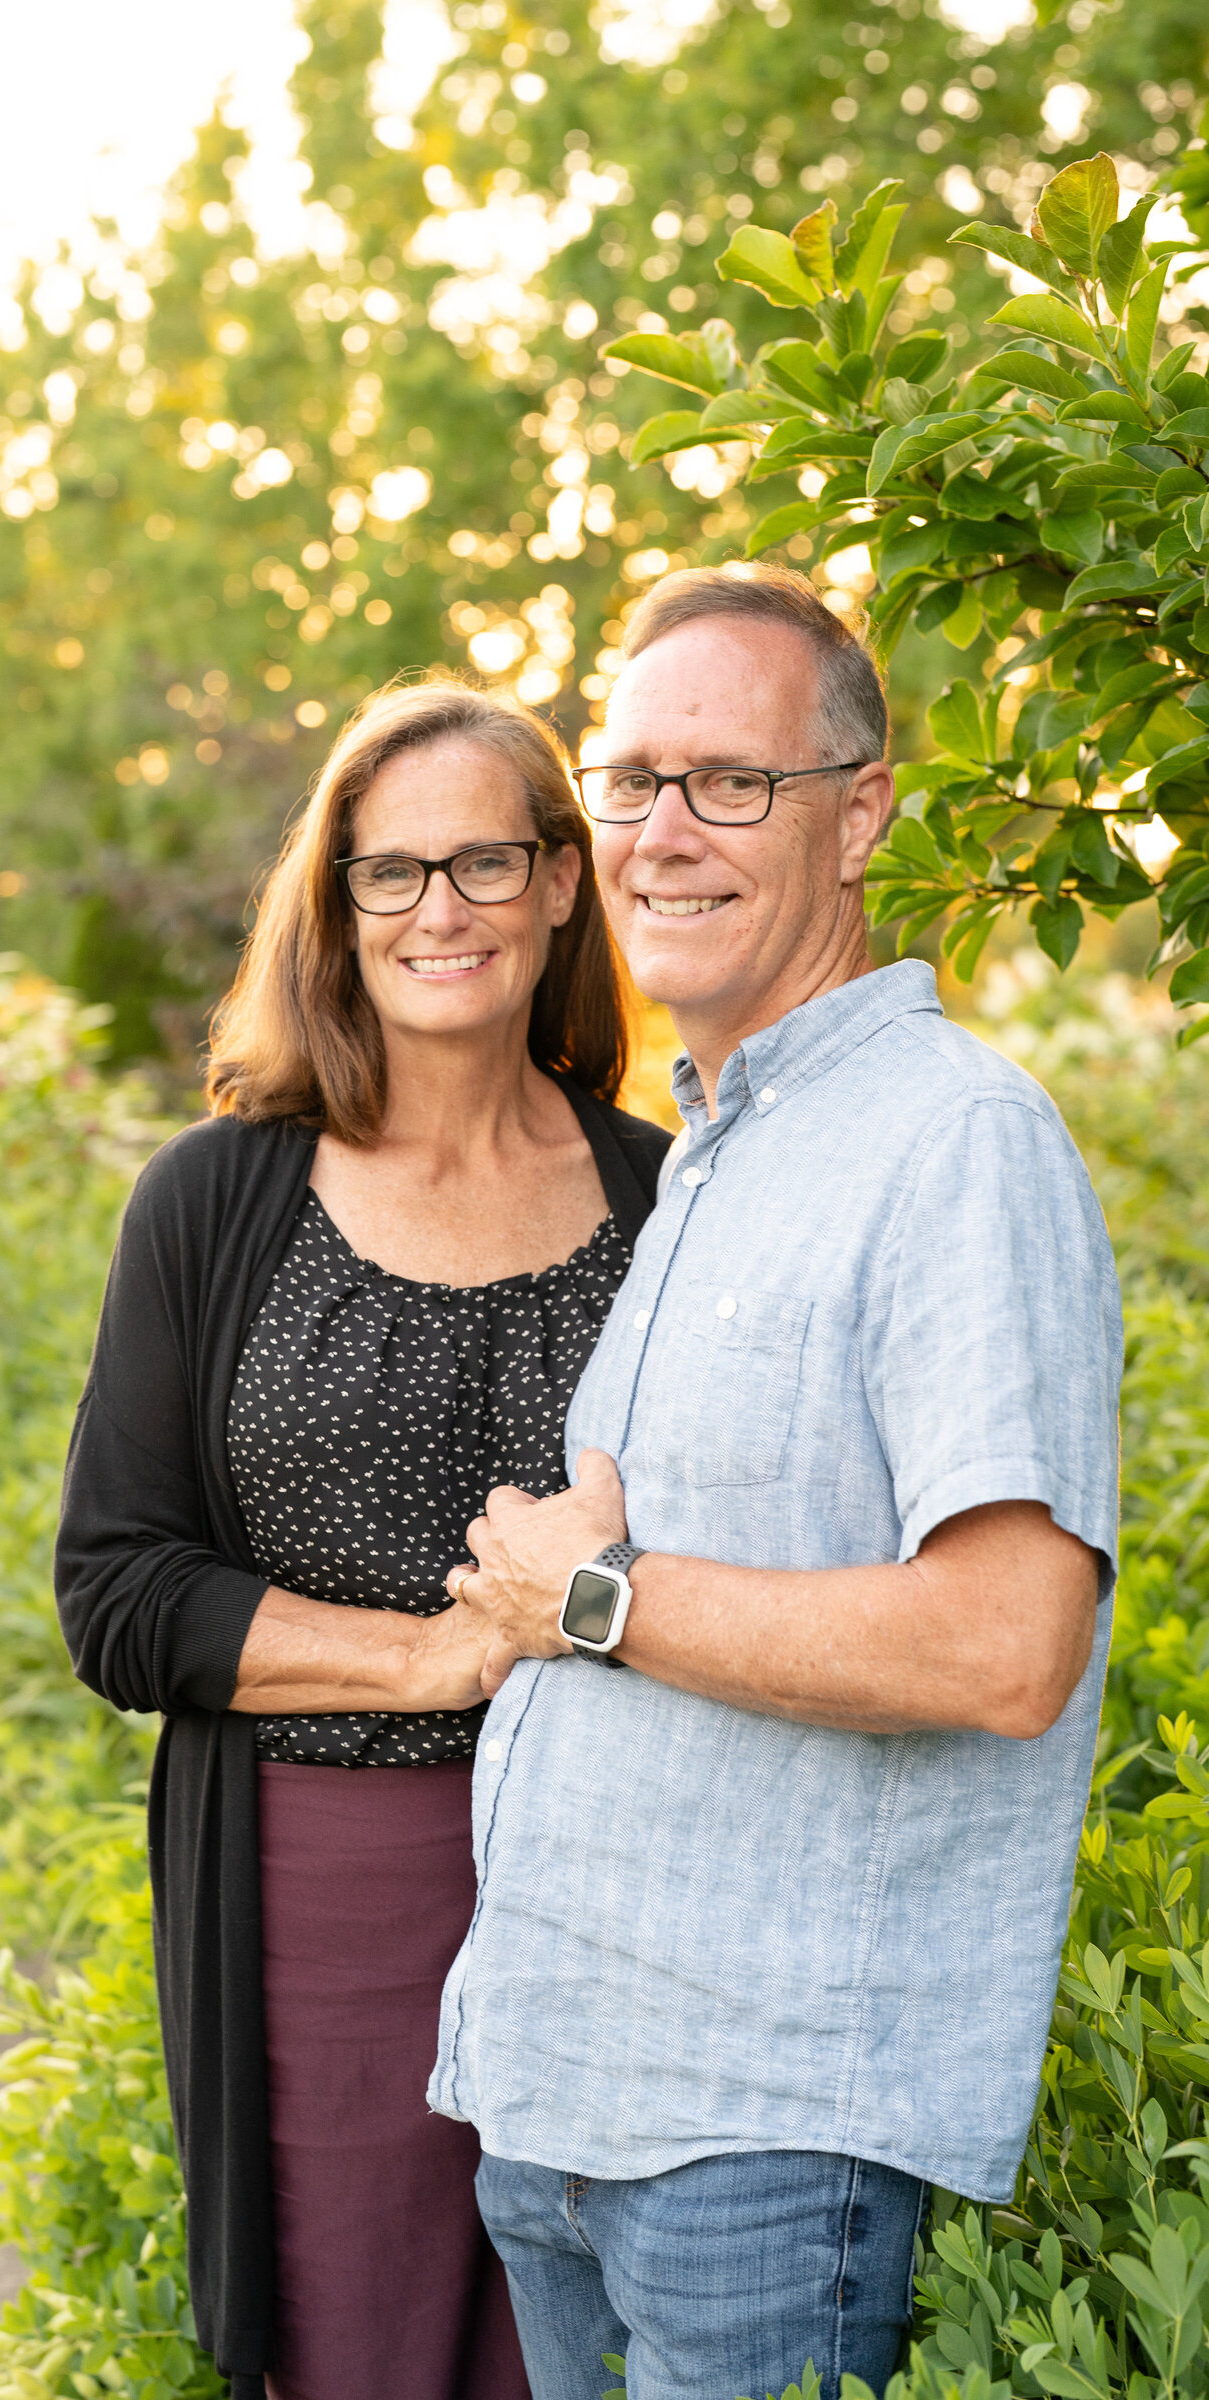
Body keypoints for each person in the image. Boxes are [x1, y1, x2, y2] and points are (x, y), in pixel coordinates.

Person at [430, 565, 1123, 2400]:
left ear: (862, 811)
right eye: (634, 778)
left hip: (758, 2137)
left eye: (730, 781)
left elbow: (1006, 1646)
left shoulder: (954, 1142)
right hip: (566, 2097)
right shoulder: (725, 1148)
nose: (667, 834)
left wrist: (592, 1599)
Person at [53, 677, 672, 2400]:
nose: (438, 913)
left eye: (483, 862)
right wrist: (440, 1653)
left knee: (605, 2360)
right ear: (334, 908)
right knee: (367, 2352)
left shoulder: (665, 1193)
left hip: (616, 1888)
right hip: (327, 1890)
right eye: (389, 874)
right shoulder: (218, 1198)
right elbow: (119, 1596)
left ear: (562, 881)